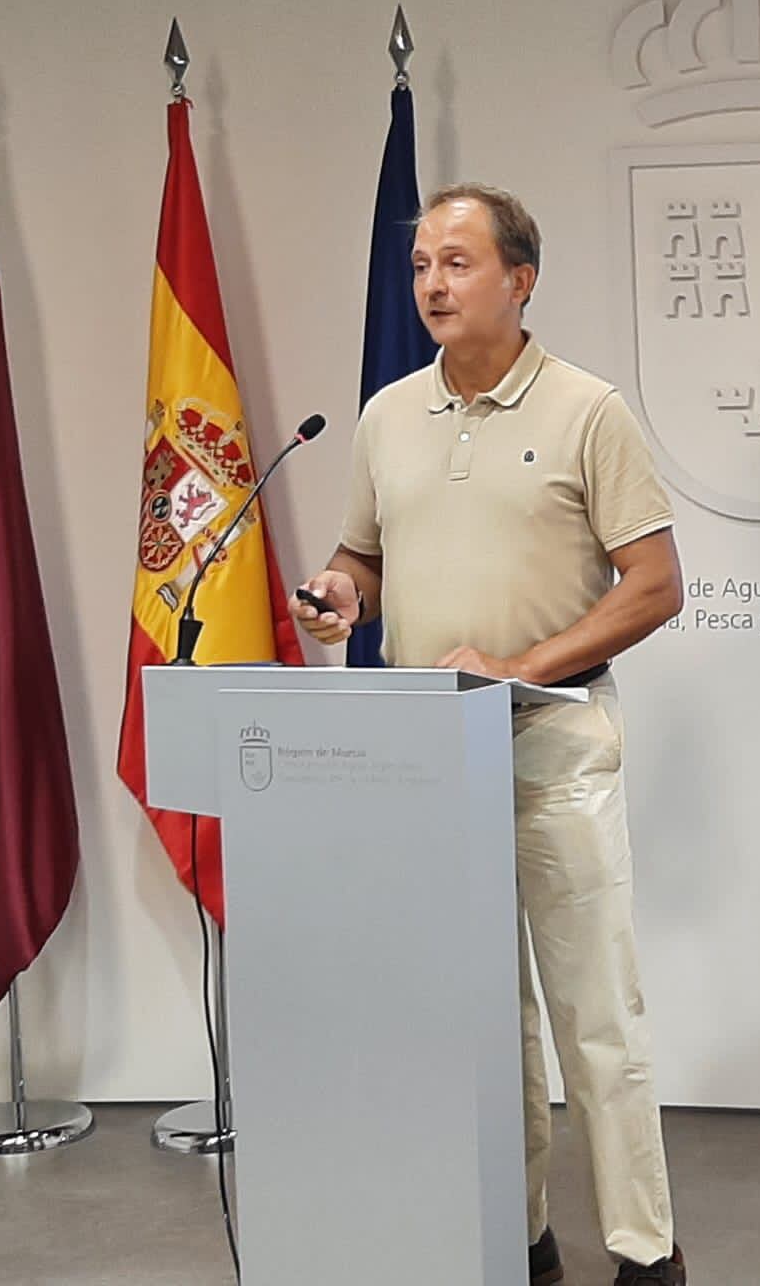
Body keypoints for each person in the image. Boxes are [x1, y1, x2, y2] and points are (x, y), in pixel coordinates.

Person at [295, 183, 687, 1286]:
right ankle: (520, 1242)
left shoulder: (588, 410)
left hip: (554, 752)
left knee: (595, 1018)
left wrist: (515, 668)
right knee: (485, 1025)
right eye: (422, 265)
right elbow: (363, 556)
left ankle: (648, 1255)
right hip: (429, 764)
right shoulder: (385, 416)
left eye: (457, 264)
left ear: (521, 279)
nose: (431, 285)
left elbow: (656, 586)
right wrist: (339, 590)